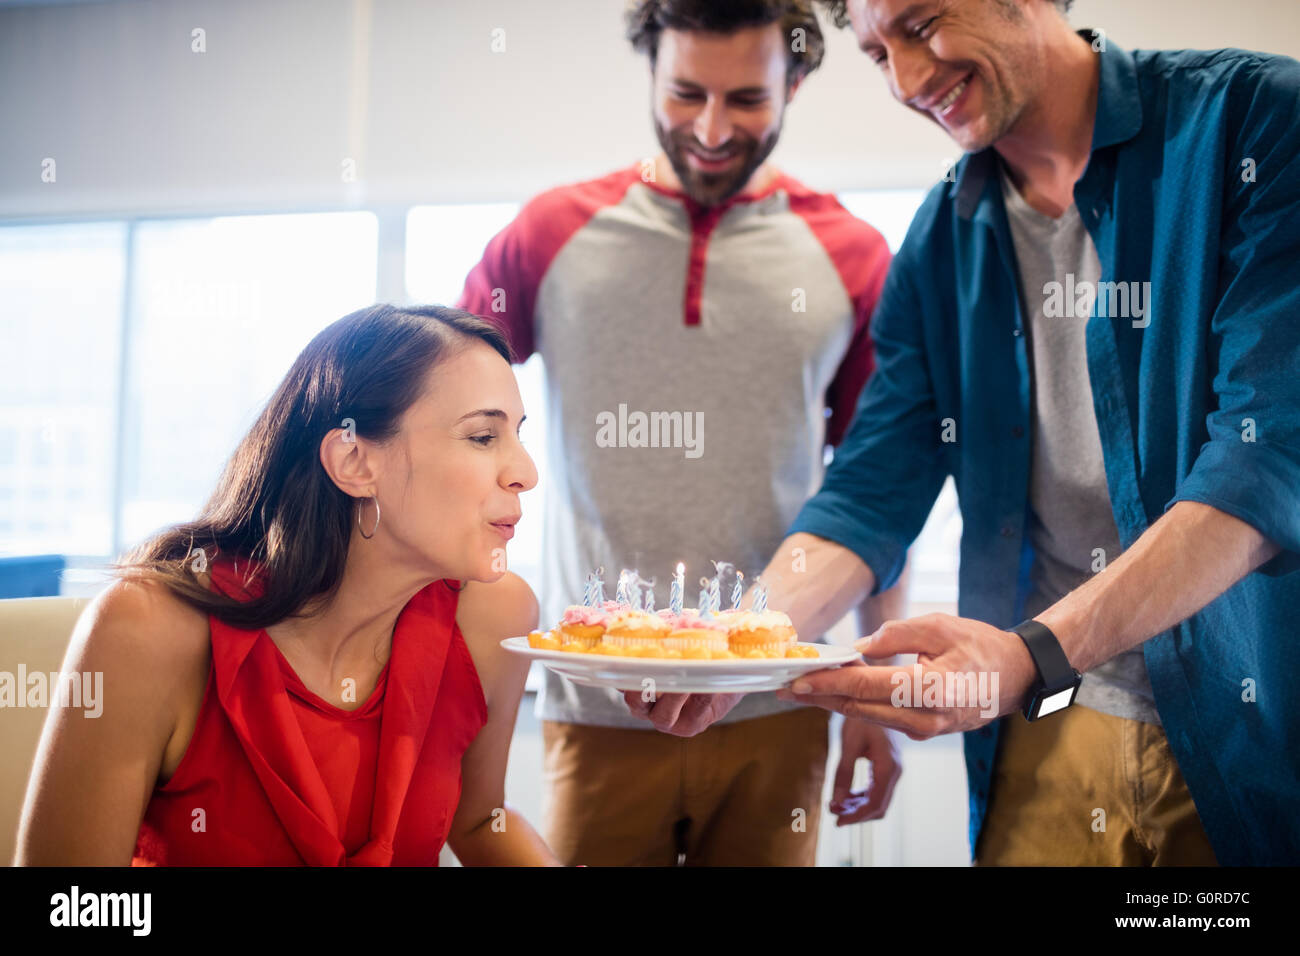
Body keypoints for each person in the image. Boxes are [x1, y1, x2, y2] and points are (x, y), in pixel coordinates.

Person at [628, 0, 1300, 866]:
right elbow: (872, 487)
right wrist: (735, 645)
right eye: (877, 55)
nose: (907, 82)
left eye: (922, 26)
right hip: (1048, 730)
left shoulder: (1257, 123)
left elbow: (1265, 461)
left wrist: (1031, 657)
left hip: (1251, 733)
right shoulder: (939, 240)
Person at [456, 0, 905, 866]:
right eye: (685, 92)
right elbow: (443, 415)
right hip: (598, 705)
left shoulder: (851, 255)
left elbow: (878, 485)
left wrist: (868, 698)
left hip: (780, 702)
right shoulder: (550, 234)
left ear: (796, 82)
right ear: (652, 71)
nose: (709, 129)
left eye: (746, 100)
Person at [16, 304, 562, 866]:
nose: (526, 471)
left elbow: (479, 821)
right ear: (354, 461)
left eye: (517, 436)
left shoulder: (495, 617)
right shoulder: (149, 630)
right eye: (481, 436)